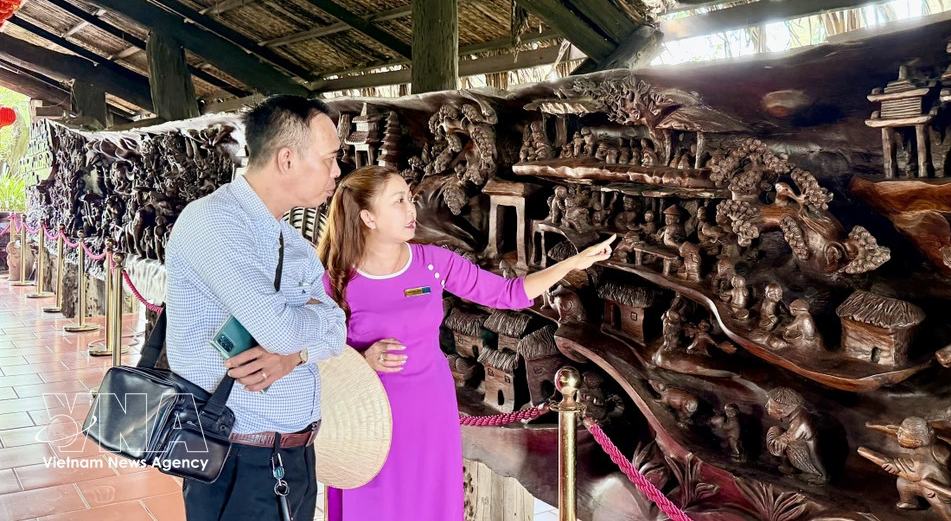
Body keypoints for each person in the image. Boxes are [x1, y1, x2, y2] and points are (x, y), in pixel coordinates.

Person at [317, 166, 616, 521]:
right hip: (367, 416)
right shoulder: (335, 277)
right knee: (374, 505)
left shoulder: (431, 263)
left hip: (431, 409)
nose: (411, 210)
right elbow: (313, 353)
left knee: (429, 504)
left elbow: (509, 294)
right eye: (398, 202)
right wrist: (362, 361)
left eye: (410, 199)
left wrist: (574, 263)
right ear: (367, 217)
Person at [165, 95, 349, 521]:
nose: (337, 172)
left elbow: (337, 328)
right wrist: (304, 330)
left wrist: (297, 355)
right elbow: (282, 329)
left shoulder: (294, 242)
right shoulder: (212, 222)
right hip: (232, 458)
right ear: (287, 159)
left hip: (294, 455)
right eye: (329, 159)